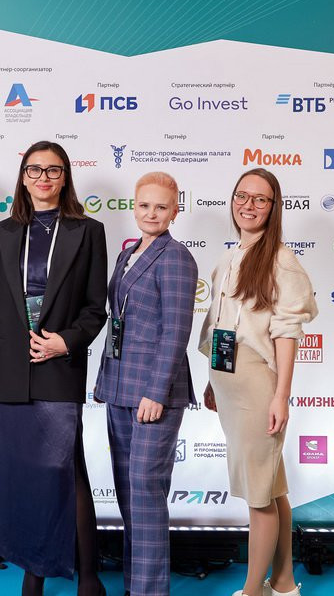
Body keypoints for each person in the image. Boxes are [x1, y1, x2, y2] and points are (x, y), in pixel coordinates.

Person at [0, 141, 108, 596]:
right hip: (11, 370)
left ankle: (85, 578)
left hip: (59, 364)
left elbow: (95, 307)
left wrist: (65, 341)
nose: (43, 178)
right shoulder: (2, 232)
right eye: (35, 170)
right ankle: (39, 572)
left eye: (53, 170)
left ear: (65, 177)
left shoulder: (89, 231)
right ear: (23, 177)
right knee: (26, 476)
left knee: (63, 471)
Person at [198, 168, 317, 596]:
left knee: (258, 496)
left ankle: (252, 591)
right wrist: (213, 382)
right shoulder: (230, 256)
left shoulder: (281, 261)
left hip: (256, 386)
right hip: (228, 383)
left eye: (260, 199)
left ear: (274, 207)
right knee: (272, 485)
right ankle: (283, 584)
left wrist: (281, 396)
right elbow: (223, 327)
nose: (248, 205)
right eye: (242, 196)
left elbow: (286, 333)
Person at [93, 172, 197, 596]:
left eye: (161, 207)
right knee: (128, 494)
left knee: (146, 492)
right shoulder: (127, 254)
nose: (151, 213)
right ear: (134, 207)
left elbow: (176, 331)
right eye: (144, 205)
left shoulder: (176, 258)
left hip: (154, 393)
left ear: (175, 211)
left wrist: (156, 391)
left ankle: (149, 591)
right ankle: (135, 586)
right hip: (120, 387)